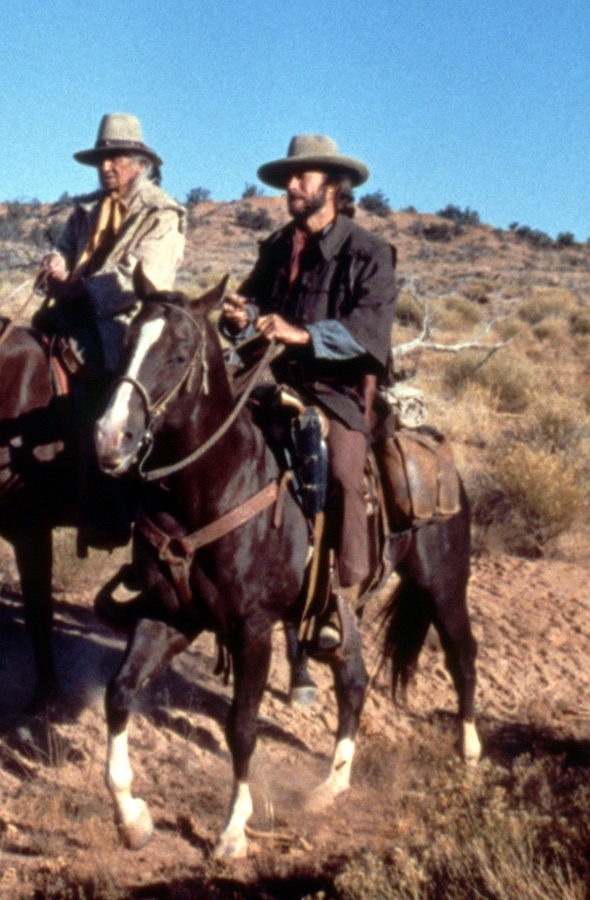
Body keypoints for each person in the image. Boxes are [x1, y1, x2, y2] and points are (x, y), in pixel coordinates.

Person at [220, 134, 397, 654]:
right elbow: (251, 310)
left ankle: (341, 599)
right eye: (288, 179)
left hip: (334, 390)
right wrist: (240, 318)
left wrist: (300, 335)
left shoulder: (368, 252)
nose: (291, 186)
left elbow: (369, 334)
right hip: (268, 381)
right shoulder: (277, 247)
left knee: (342, 474)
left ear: (334, 186)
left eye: (303, 178)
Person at [36, 113, 186, 376]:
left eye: (114, 158)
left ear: (140, 164)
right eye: (100, 160)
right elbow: (66, 248)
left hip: (127, 326)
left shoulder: (161, 214)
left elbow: (140, 278)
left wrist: (82, 290)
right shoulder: (86, 208)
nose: (105, 166)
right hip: (71, 314)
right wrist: (55, 262)